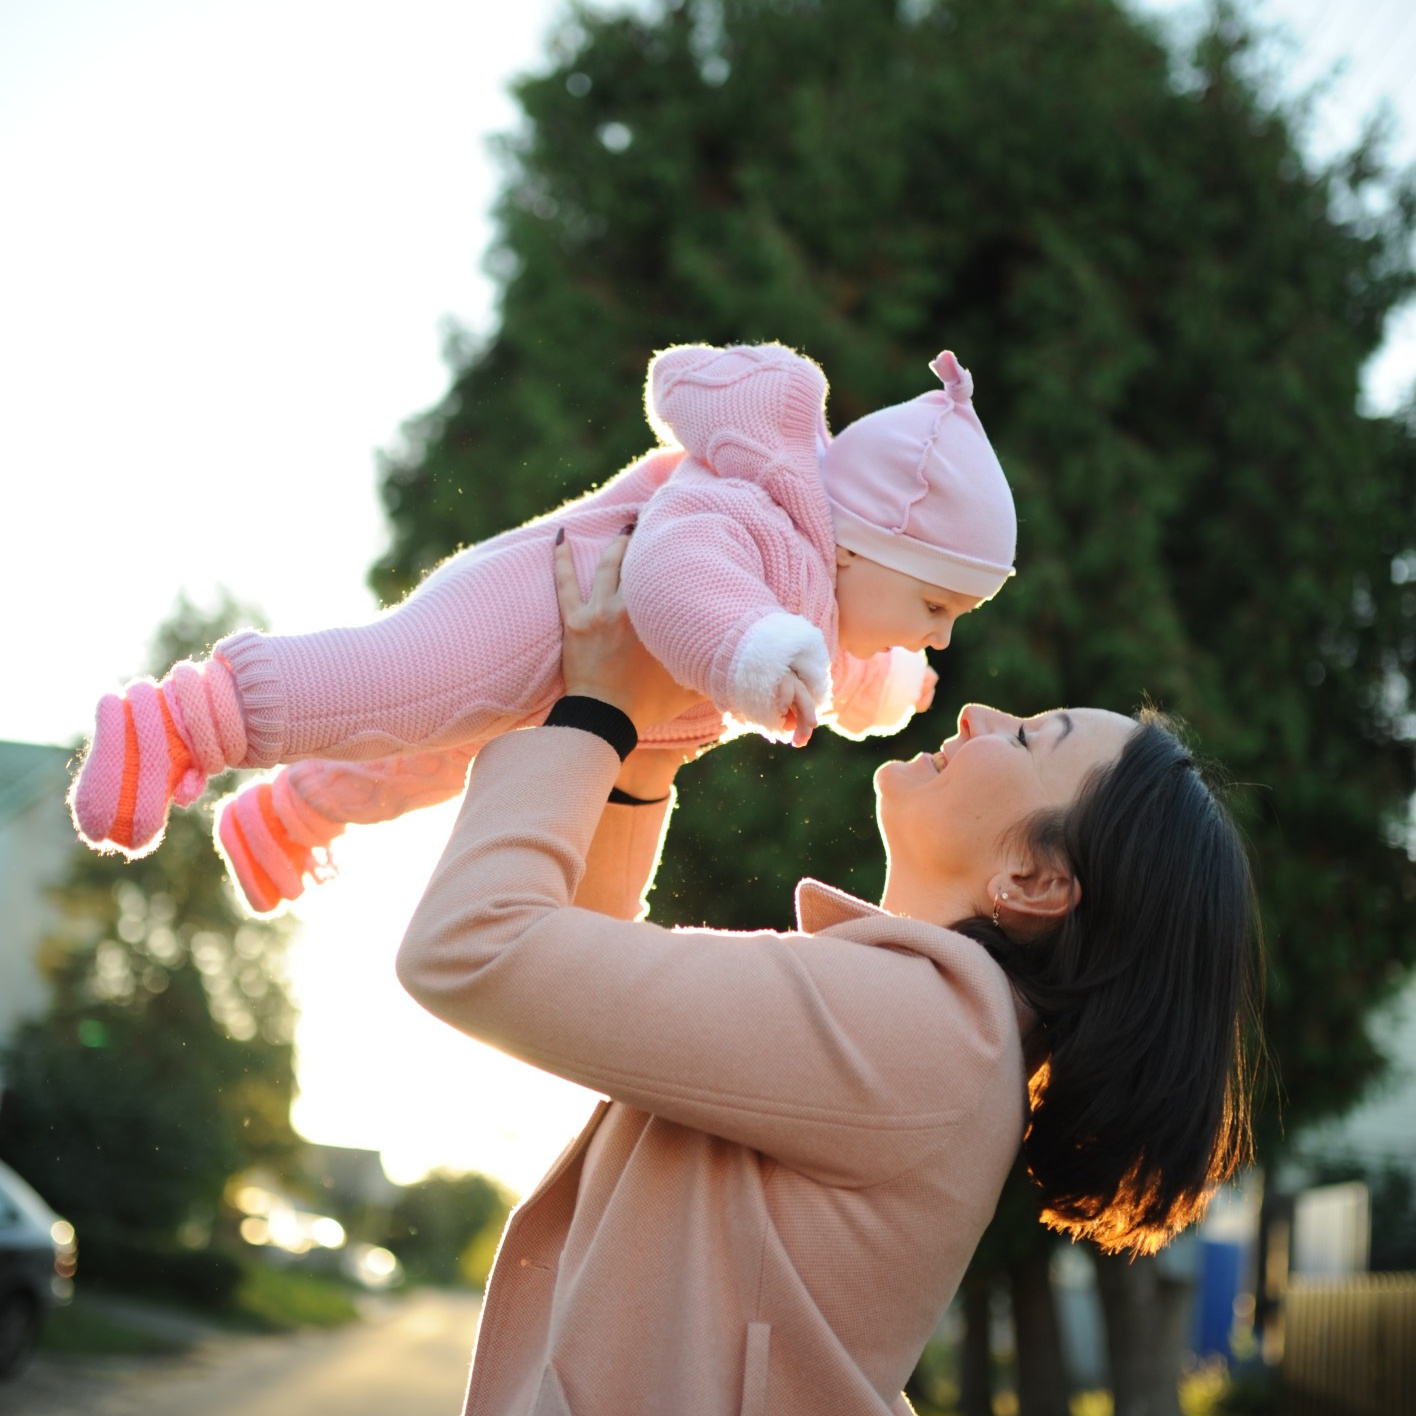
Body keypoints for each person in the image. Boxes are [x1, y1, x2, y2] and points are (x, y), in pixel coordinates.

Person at [392, 531, 1259, 1416]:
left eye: (1031, 739)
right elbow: (573, 972)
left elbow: (472, 945)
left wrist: (596, 710)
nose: (978, 715)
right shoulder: (937, 1032)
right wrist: (642, 752)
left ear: (1036, 882)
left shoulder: (926, 1029)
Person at [68, 341, 1016, 912]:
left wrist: (894, 683)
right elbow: (673, 576)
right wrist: (748, 655)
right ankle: (177, 720)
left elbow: (843, 677)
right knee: (394, 680)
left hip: (578, 690)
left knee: (423, 763)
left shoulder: (826, 593)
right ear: (864, 545)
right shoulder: (750, 507)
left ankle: (289, 814)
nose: (937, 635)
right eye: (935, 609)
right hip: (537, 607)